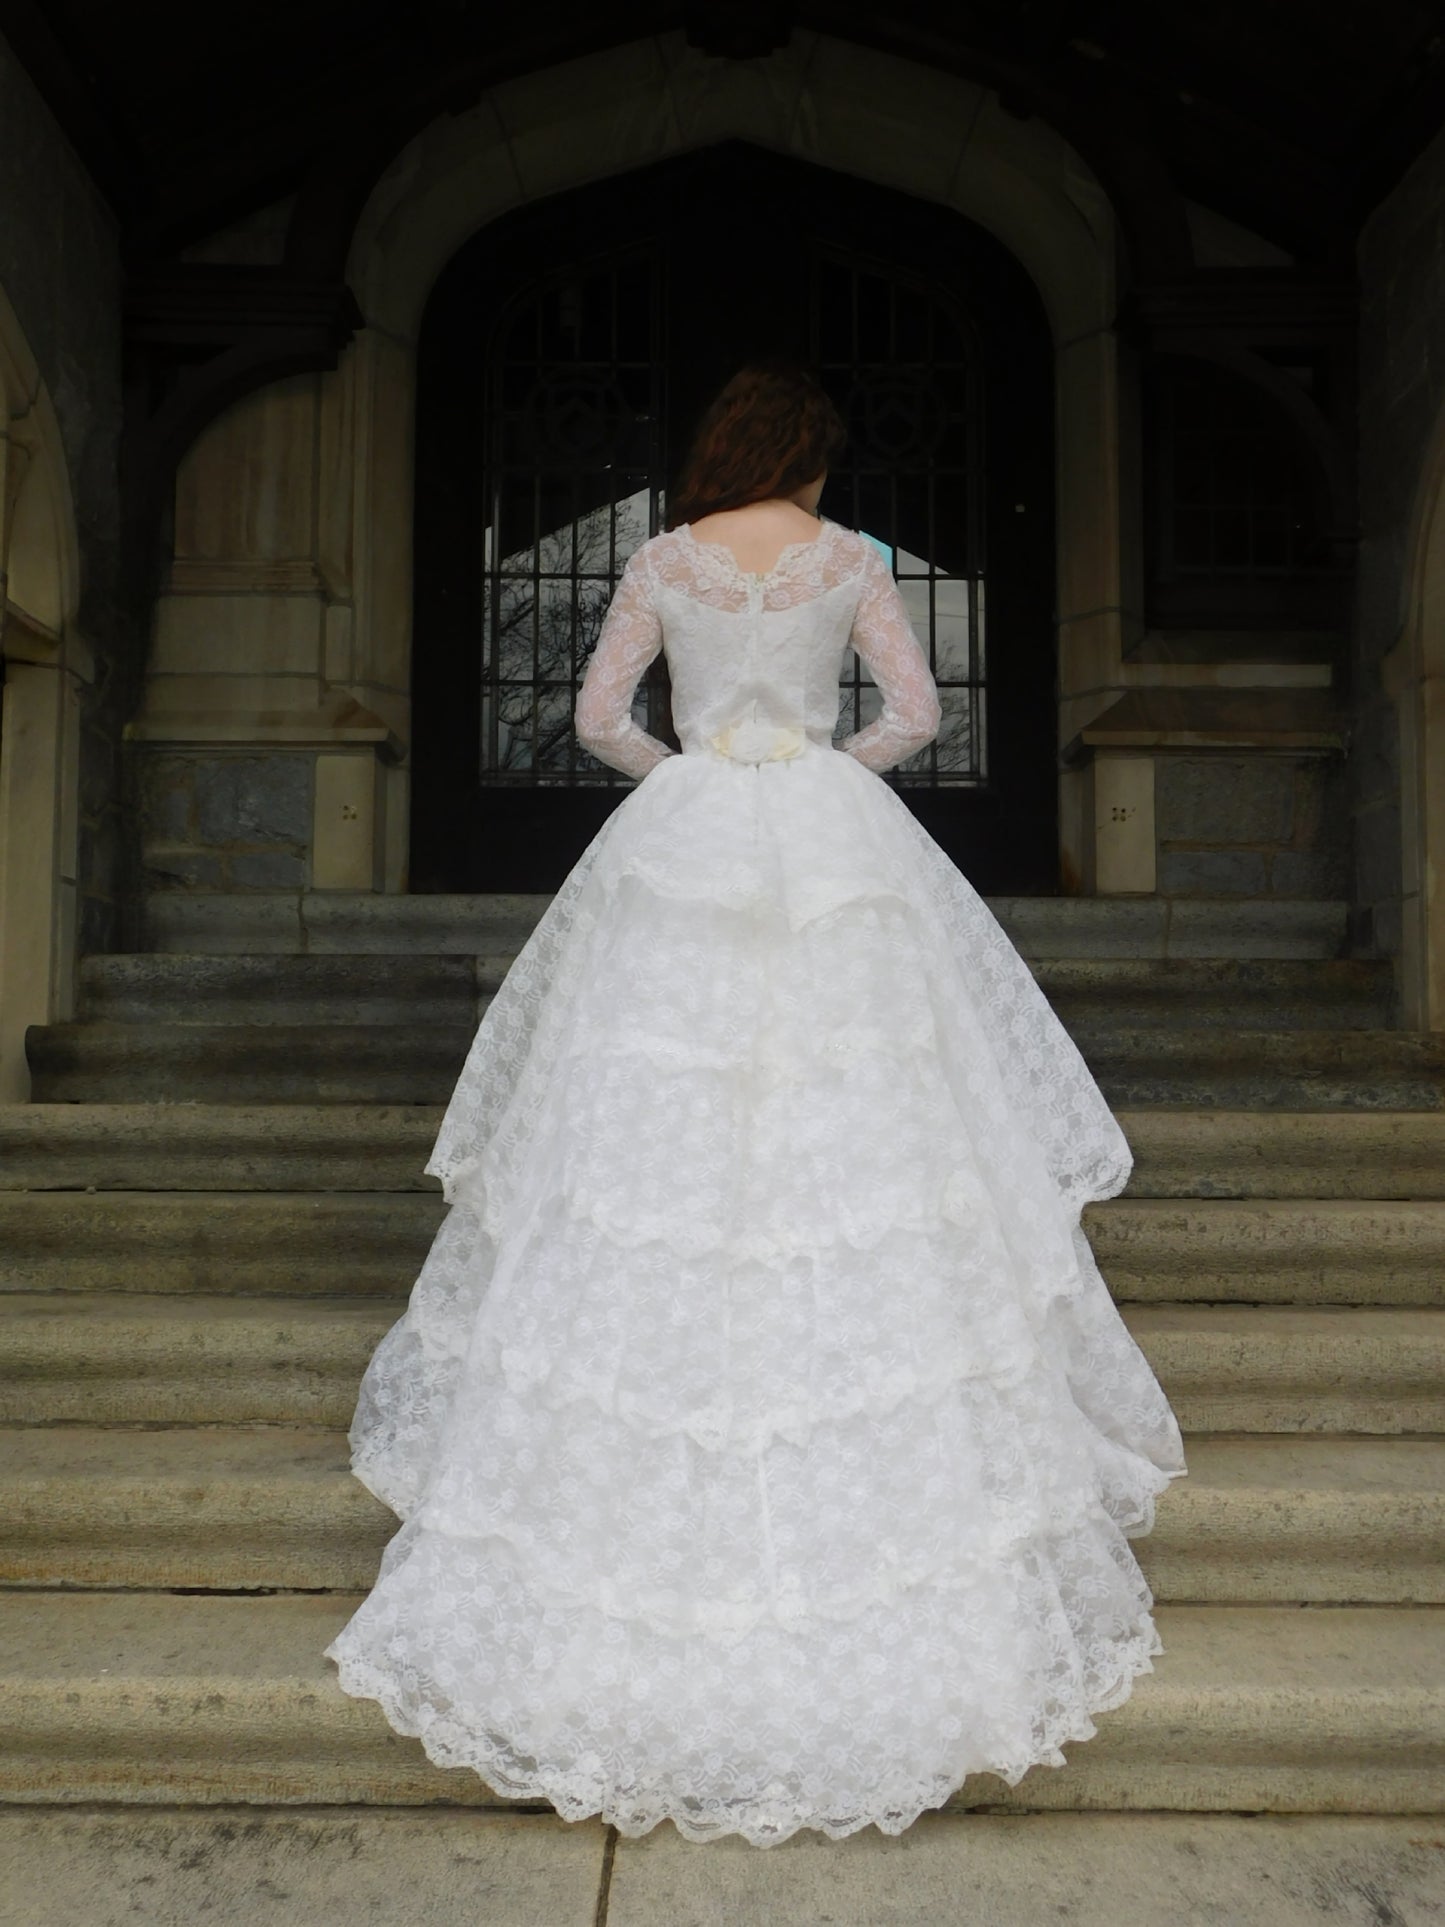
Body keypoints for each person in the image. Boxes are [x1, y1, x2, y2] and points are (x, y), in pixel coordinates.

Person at [324, 361, 1187, 1847]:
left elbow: (598, 718)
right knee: (865, 1107)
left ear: (720, 450)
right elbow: (914, 714)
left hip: (688, 836)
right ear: (812, 458)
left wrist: (692, 777)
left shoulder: (662, 557)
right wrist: (822, 772)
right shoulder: (847, 559)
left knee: (638, 1112)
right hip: (827, 832)